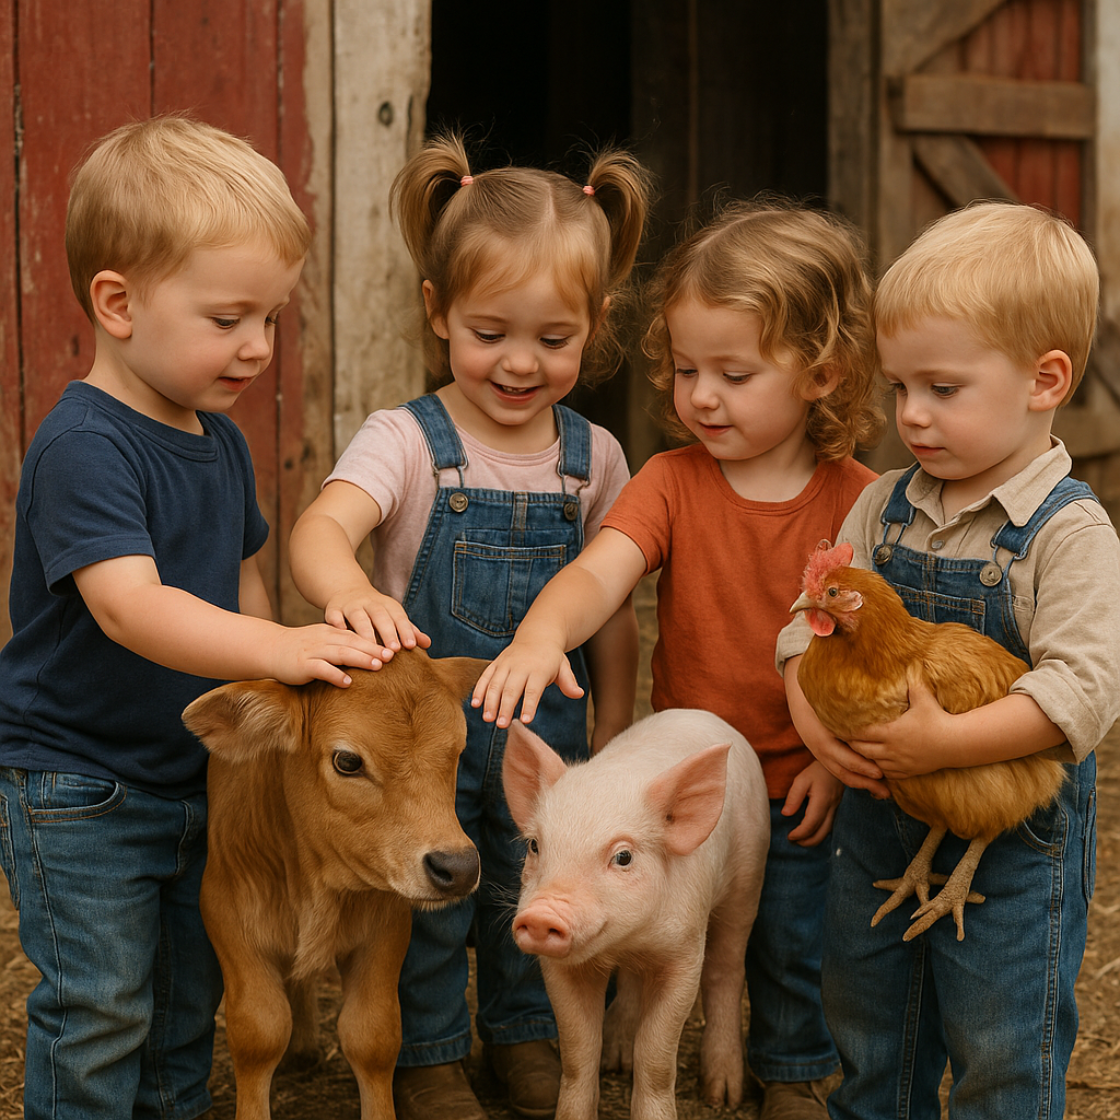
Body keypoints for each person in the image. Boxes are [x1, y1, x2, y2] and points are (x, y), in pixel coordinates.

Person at [0, 115, 391, 1120]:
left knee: (187, 1000)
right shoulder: (84, 445)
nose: (258, 346)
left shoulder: (217, 443)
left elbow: (242, 579)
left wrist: (277, 690)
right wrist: (284, 646)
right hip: (80, 783)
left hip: (192, 774)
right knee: (102, 1004)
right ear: (118, 304)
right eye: (228, 318)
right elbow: (131, 608)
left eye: (271, 319)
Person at [473, 198, 885, 1120]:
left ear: (821, 373)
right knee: (634, 899)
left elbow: (872, 654)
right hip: (673, 791)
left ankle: (789, 1070)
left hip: (803, 770)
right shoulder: (671, 481)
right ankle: (631, 1022)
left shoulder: (863, 504)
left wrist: (829, 756)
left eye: (734, 374)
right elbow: (599, 573)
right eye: (688, 369)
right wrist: (545, 631)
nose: (702, 396)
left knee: (793, 932)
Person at [288, 131, 651, 1120]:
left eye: (553, 338)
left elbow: (610, 608)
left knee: (535, 887)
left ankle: (527, 1040)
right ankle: (431, 1055)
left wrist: (615, 723)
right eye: (490, 331)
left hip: (550, 733)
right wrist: (347, 589)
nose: (520, 363)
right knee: (430, 899)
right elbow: (321, 529)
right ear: (436, 310)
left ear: (596, 323)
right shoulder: (405, 439)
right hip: (427, 737)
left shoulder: (595, 456)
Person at [777, 201, 1120, 1120]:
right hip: (884, 812)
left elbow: (1083, 690)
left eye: (943, 389)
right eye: (900, 389)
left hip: (1011, 829)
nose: (911, 415)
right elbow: (802, 629)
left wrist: (945, 743)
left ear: (1045, 380)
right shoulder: (882, 504)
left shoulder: (1068, 534)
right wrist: (819, 728)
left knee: (999, 1035)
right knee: (866, 1010)